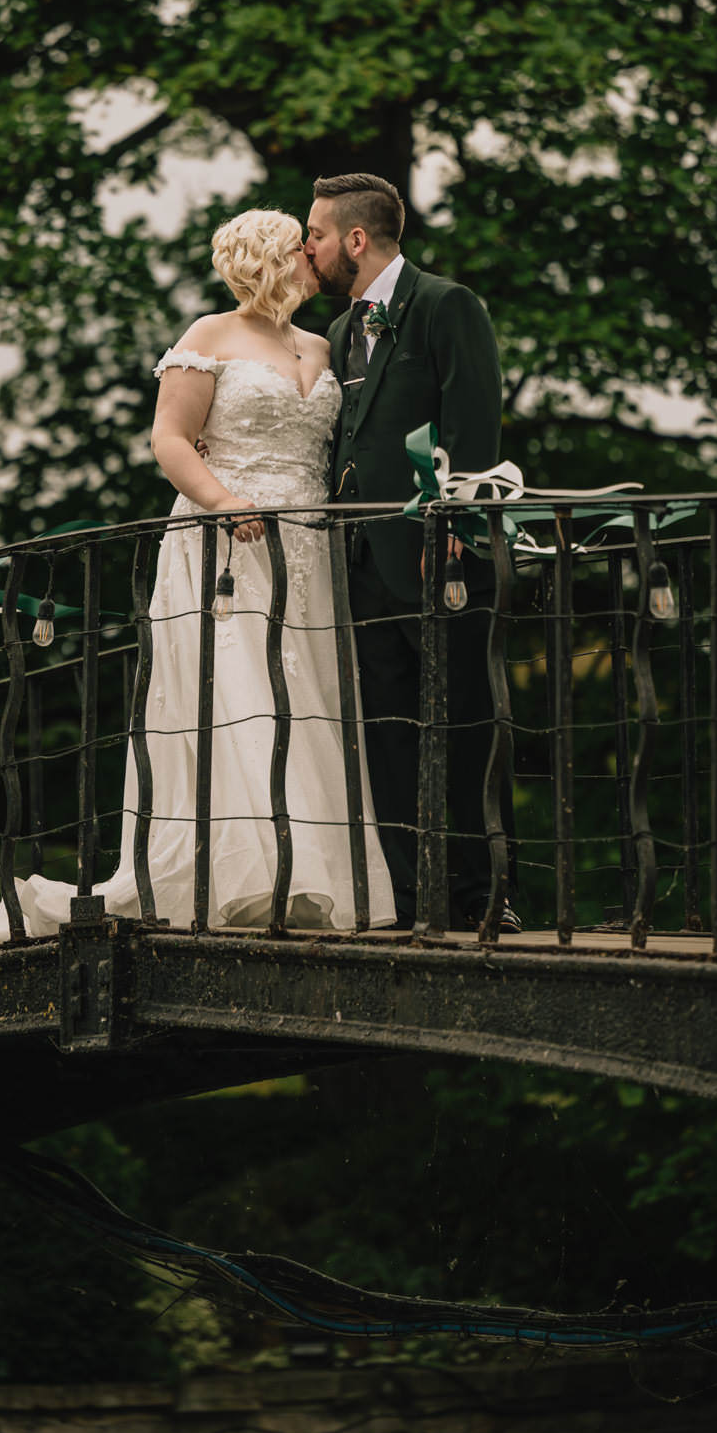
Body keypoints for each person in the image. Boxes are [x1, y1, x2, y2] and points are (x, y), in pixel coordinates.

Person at [0, 208, 394, 955]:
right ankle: (250, 880)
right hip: (225, 541)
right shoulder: (208, 336)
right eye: (300, 249)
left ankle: (319, 879)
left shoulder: (320, 344)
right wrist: (225, 503)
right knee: (243, 700)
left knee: (311, 702)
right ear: (270, 259)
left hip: (307, 550)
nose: (313, 259)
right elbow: (168, 440)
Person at [304, 172, 518, 934]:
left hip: (439, 557)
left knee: (462, 724)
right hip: (359, 566)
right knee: (387, 734)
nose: (310, 249)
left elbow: (474, 419)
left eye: (318, 235)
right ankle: (406, 894)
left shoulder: (444, 305)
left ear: (356, 240)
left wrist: (450, 523)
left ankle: (480, 896)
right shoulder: (335, 334)